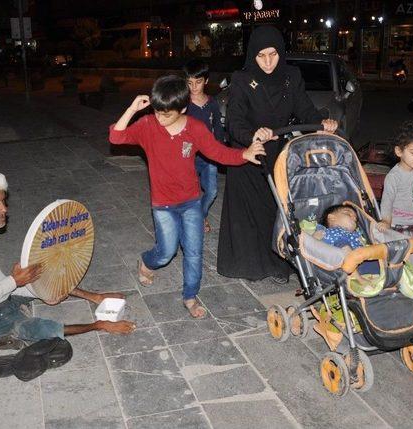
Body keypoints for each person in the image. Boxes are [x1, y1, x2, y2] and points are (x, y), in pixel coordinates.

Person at [109, 75, 266, 318]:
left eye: (167, 114)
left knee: (194, 252)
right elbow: (116, 137)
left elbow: (218, 152)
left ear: (182, 108)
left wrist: (244, 154)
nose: (160, 118)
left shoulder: (195, 128)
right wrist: (132, 109)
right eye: (157, 111)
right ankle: (146, 262)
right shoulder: (148, 125)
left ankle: (190, 296)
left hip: (191, 202)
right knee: (166, 251)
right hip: (162, 205)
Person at [0, 169, 135, 350]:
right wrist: (14, 281)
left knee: (41, 273)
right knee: (43, 329)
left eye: (3, 201)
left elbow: (1, 283)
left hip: (3, 294)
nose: (3, 208)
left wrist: (27, 285)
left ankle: (95, 297)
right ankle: (100, 325)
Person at [217, 25, 338, 283]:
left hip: (279, 155)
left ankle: (278, 263)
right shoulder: (241, 79)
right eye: (262, 56)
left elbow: (305, 109)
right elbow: (234, 120)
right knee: (251, 214)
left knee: (278, 210)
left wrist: (321, 123)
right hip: (251, 152)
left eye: (273, 54)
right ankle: (250, 265)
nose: (269, 61)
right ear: (253, 55)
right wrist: (252, 134)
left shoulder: (291, 76)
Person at [183, 59, 225, 233]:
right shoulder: (182, 104)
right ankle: (193, 219)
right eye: (190, 83)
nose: (194, 87)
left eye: (198, 82)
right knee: (189, 192)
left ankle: (201, 215)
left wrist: (220, 150)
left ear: (206, 81)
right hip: (188, 156)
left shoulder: (212, 103)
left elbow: (218, 128)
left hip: (209, 155)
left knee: (212, 191)